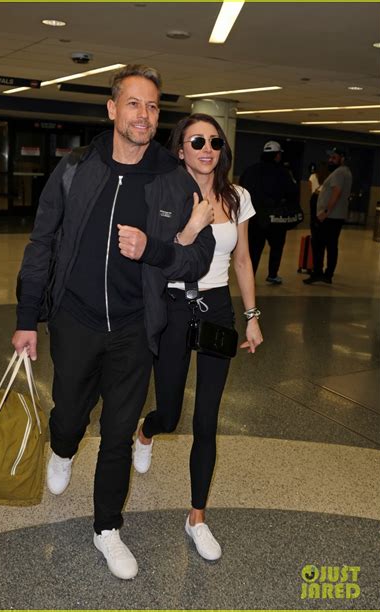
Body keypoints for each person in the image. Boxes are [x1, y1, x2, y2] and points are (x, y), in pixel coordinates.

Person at [12, 65, 215, 580]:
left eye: (151, 106)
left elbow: (198, 257)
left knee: (119, 433)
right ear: (112, 109)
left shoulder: (173, 178)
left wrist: (154, 252)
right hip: (75, 319)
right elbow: (42, 243)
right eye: (133, 104)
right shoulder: (77, 168)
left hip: (134, 326)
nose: (143, 115)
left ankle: (107, 528)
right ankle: (62, 448)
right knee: (70, 415)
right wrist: (27, 318)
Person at [133, 113, 263, 561]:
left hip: (217, 310)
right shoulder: (165, 192)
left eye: (214, 141)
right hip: (172, 305)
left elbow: (243, 259)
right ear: (181, 149)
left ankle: (197, 518)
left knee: (206, 418)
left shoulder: (237, 197)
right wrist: (190, 223)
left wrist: (252, 315)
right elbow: (155, 251)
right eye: (197, 141)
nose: (207, 149)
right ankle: (146, 432)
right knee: (170, 414)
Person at [240, 141, 298, 284]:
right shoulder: (283, 173)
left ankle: (250, 276)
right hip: (276, 219)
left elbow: (241, 191)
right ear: (277, 155)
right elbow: (292, 192)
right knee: (277, 247)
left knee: (254, 249)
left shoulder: (250, 170)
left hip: (254, 218)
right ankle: (272, 274)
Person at [303, 147, 352, 284]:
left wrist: (325, 212)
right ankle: (327, 274)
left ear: (342, 159)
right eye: (330, 158)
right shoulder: (345, 172)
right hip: (335, 217)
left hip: (329, 217)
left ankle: (319, 273)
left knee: (319, 244)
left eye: (334, 158)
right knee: (331, 245)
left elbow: (336, 193)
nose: (330, 160)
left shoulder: (339, 173)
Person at [308, 161, 330, 230]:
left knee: (313, 218)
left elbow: (310, 188)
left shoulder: (312, 176)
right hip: (323, 198)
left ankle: (314, 234)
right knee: (322, 218)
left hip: (314, 197)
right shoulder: (328, 177)